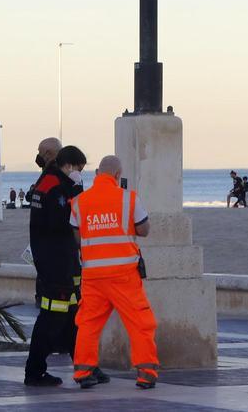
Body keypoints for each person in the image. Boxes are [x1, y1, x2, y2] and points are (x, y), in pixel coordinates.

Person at [72, 156, 158, 390]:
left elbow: (77, 237)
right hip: (124, 275)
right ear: (118, 175)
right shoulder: (128, 198)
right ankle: (146, 373)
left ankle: (83, 370)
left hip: (92, 276)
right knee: (140, 322)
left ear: (98, 173)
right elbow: (144, 230)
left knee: (88, 323)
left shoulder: (79, 201)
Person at [24, 145, 95, 387]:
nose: (80, 174)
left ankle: (85, 367)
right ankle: (34, 371)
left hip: (63, 260)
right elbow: (64, 219)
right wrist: (76, 189)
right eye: (79, 169)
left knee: (73, 315)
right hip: (54, 261)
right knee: (52, 316)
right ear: (69, 165)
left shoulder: (51, 182)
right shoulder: (54, 186)